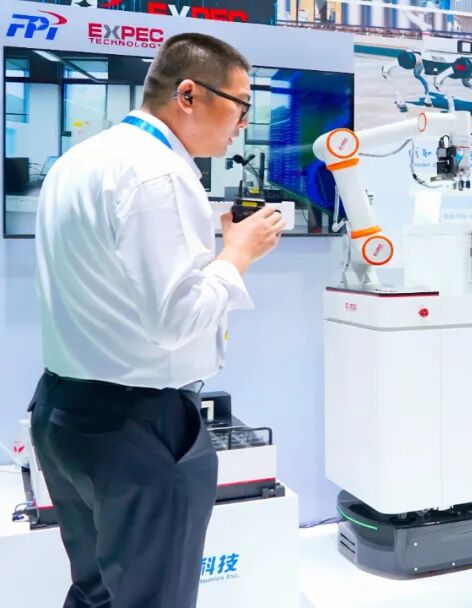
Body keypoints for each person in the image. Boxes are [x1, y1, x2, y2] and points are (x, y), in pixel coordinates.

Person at [29, 33, 284, 608]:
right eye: (240, 104)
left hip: (65, 412)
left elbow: (122, 291)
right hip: (138, 427)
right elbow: (175, 320)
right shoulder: (160, 174)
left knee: (96, 593)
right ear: (188, 94)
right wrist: (238, 253)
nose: (244, 122)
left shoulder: (81, 160)